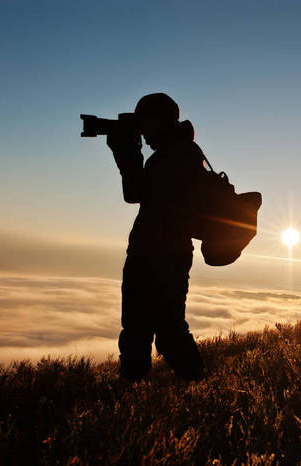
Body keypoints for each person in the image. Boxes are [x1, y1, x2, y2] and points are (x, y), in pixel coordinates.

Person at [106, 93, 206, 382]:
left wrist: (127, 154)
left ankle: (196, 384)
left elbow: (136, 193)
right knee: (139, 329)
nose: (143, 133)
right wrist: (130, 154)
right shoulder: (175, 153)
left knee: (167, 330)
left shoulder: (177, 156)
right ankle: (131, 390)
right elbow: (139, 196)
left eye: (144, 125)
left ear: (160, 122)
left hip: (162, 256)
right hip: (154, 252)